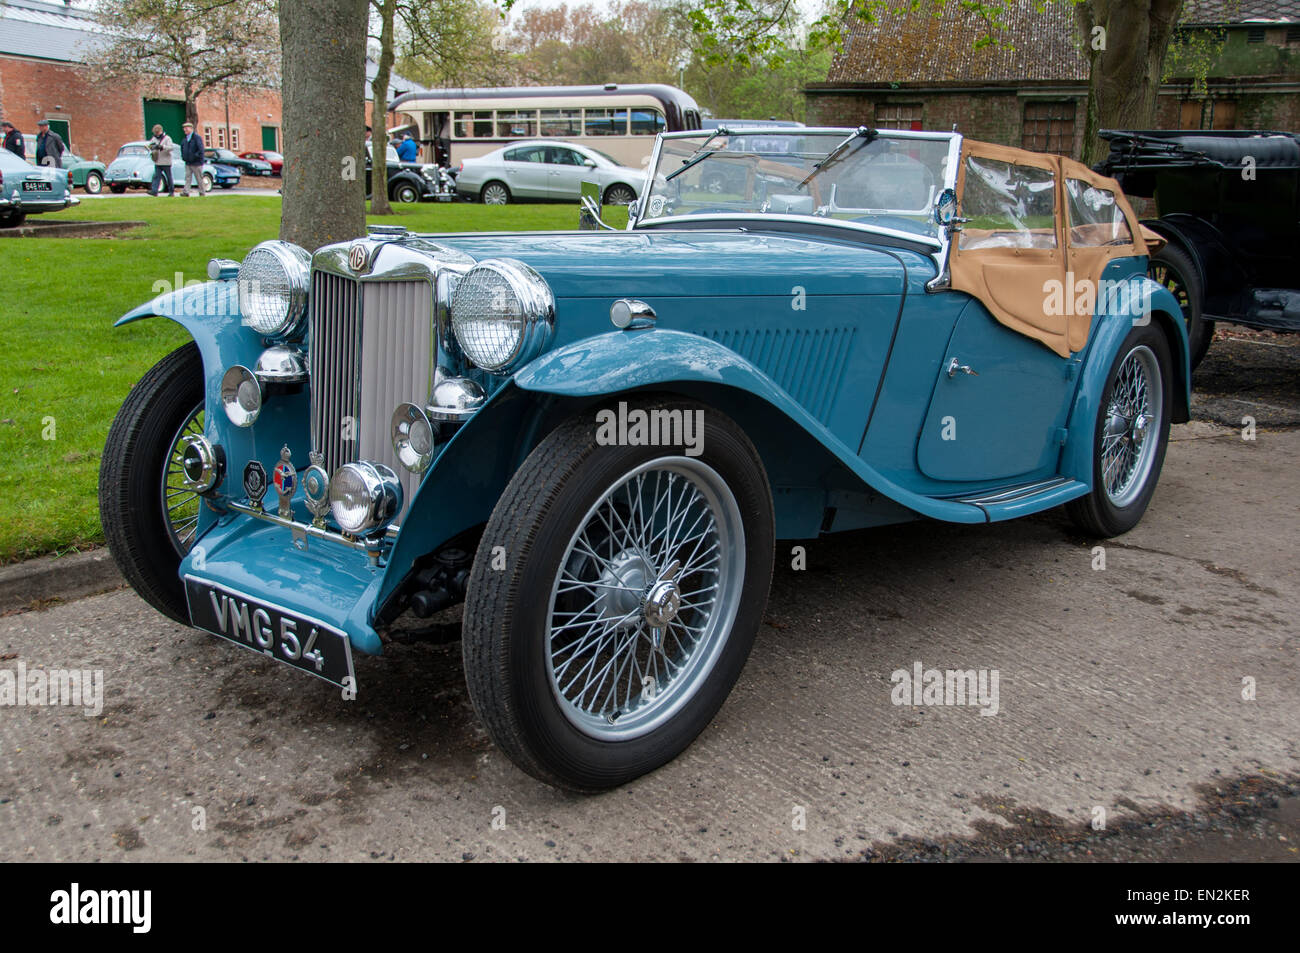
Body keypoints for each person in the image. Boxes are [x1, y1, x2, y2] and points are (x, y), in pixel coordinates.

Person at [147, 124, 175, 196]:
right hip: (158, 161)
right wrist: (152, 147)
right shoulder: (154, 138)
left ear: (161, 131)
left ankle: (171, 192)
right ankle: (154, 191)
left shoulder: (167, 138)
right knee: (157, 177)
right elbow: (150, 145)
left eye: (157, 132)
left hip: (166, 162)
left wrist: (162, 147)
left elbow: (171, 148)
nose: (156, 134)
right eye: (155, 133)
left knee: (169, 177)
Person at [179, 122, 205, 196]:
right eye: (184, 128)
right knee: (187, 178)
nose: (185, 130)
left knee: (199, 178)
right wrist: (184, 157)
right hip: (188, 162)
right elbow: (182, 148)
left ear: (191, 128)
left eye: (186, 128)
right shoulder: (184, 139)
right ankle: (186, 192)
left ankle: (202, 192)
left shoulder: (197, 138)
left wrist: (195, 156)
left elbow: (201, 150)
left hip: (197, 163)